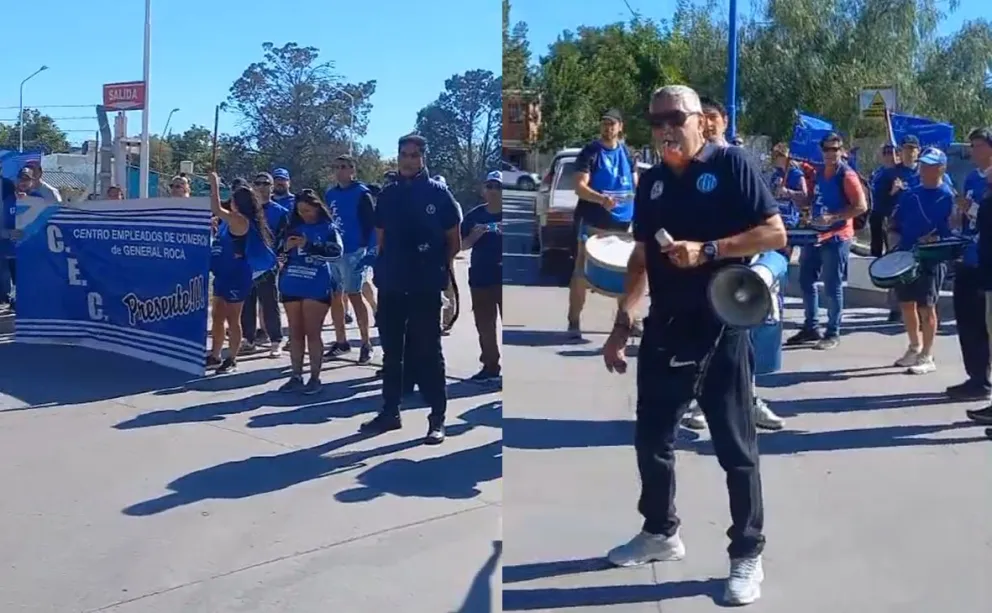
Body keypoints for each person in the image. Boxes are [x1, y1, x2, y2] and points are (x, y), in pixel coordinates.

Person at [602, 85, 786, 606]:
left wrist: (709, 250)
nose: (664, 128)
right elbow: (641, 260)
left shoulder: (732, 167)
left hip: (722, 325)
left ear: (702, 121)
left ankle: (746, 554)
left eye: (675, 118)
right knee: (652, 440)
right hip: (665, 324)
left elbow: (775, 235)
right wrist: (621, 324)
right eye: (656, 119)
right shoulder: (653, 182)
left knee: (735, 451)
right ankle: (661, 533)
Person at [360, 133, 461, 444]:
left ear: (423, 158)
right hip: (392, 283)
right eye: (404, 154)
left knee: (429, 352)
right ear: (398, 156)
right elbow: (381, 238)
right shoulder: (387, 195)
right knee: (392, 353)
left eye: (415, 155)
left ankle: (437, 418)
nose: (409, 160)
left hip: (425, 285)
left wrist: (435, 271)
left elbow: (453, 242)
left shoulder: (439, 195)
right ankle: (390, 412)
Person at [785, 132, 868, 349]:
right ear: (821, 151)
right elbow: (813, 199)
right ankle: (811, 326)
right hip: (815, 234)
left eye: (835, 149)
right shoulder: (821, 173)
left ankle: (833, 332)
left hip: (837, 237)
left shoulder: (847, 175)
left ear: (842, 151)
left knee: (832, 286)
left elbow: (861, 206)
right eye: (827, 149)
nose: (831, 153)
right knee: (806, 279)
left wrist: (834, 217)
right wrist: (792, 194)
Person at [568, 109, 639, 339]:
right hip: (593, 222)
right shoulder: (591, 152)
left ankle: (626, 320)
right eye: (604, 123)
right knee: (581, 271)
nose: (608, 128)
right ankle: (574, 321)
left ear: (620, 127)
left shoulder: (627, 153)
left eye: (612, 124)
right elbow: (579, 186)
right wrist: (601, 199)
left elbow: (635, 184)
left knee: (625, 273)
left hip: (623, 224)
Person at [888, 148, 954, 374]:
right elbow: (897, 221)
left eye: (931, 165)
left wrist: (935, 237)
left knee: (927, 307)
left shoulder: (948, 195)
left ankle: (927, 355)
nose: (926, 169)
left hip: (932, 258)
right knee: (906, 304)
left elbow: (952, 229)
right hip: (907, 255)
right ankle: (914, 347)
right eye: (923, 164)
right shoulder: (910, 194)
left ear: (941, 168)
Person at [276, 189, 343, 394]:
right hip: (292, 282)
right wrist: (285, 247)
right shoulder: (293, 227)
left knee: (313, 332)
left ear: (317, 207)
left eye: (308, 210)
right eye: (301, 211)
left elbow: (336, 253)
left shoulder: (329, 228)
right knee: (295, 332)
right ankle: (295, 375)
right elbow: (277, 252)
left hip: (316, 283)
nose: (305, 214)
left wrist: (309, 245)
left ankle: (315, 377)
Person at [207, 173, 275, 373]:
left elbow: (215, 208)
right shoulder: (229, 223)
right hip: (223, 273)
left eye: (233, 200)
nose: (231, 203)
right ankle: (215, 354)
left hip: (237, 275)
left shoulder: (240, 220)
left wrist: (214, 185)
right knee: (217, 315)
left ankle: (232, 358)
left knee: (232, 317)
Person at [949, 128, 992, 400]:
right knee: (966, 321)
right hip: (968, 255)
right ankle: (975, 376)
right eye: (971, 146)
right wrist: (959, 214)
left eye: (977, 146)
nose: (972, 151)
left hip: (985, 262)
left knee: (983, 324)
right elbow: (968, 219)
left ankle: (983, 381)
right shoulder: (972, 178)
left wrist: (973, 210)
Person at [324, 154, 376, 363]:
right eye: (336, 167)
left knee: (354, 294)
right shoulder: (330, 193)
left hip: (354, 250)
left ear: (353, 170)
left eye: (344, 167)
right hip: (334, 251)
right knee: (336, 296)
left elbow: (371, 223)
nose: (340, 170)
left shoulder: (362, 193)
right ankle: (341, 341)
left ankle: (365, 343)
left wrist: (370, 250)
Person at [240, 171, 289, 357]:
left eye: (265, 183)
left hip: (268, 264)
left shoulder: (279, 212)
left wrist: (280, 259)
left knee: (269, 302)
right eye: (258, 183)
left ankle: (275, 339)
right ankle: (249, 338)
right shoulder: (246, 210)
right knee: (247, 302)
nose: (261, 187)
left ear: (271, 187)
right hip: (247, 262)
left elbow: (284, 239)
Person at [460, 171, 503, 381]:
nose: (494, 191)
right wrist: (473, 236)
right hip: (481, 277)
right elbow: (461, 245)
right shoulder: (474, 216)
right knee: (485, 325)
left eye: (498, 187)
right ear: (483, 190)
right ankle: (490, 366)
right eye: (490, 186)